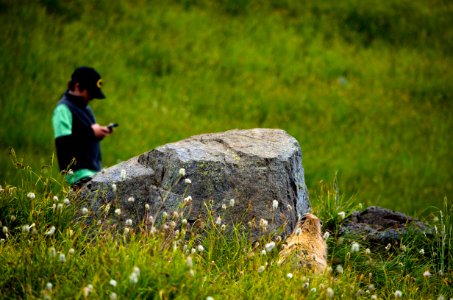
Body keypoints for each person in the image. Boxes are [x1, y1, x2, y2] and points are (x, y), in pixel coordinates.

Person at [52, 66, 113, 186]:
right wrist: (91, 132)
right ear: (77, 86)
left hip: (94, 171)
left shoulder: (86, 109)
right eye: (90, 93)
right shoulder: (63, 109)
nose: (91, 98)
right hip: (77, 173)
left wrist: (99, 133)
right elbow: (63, 143)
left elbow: (84, 136)